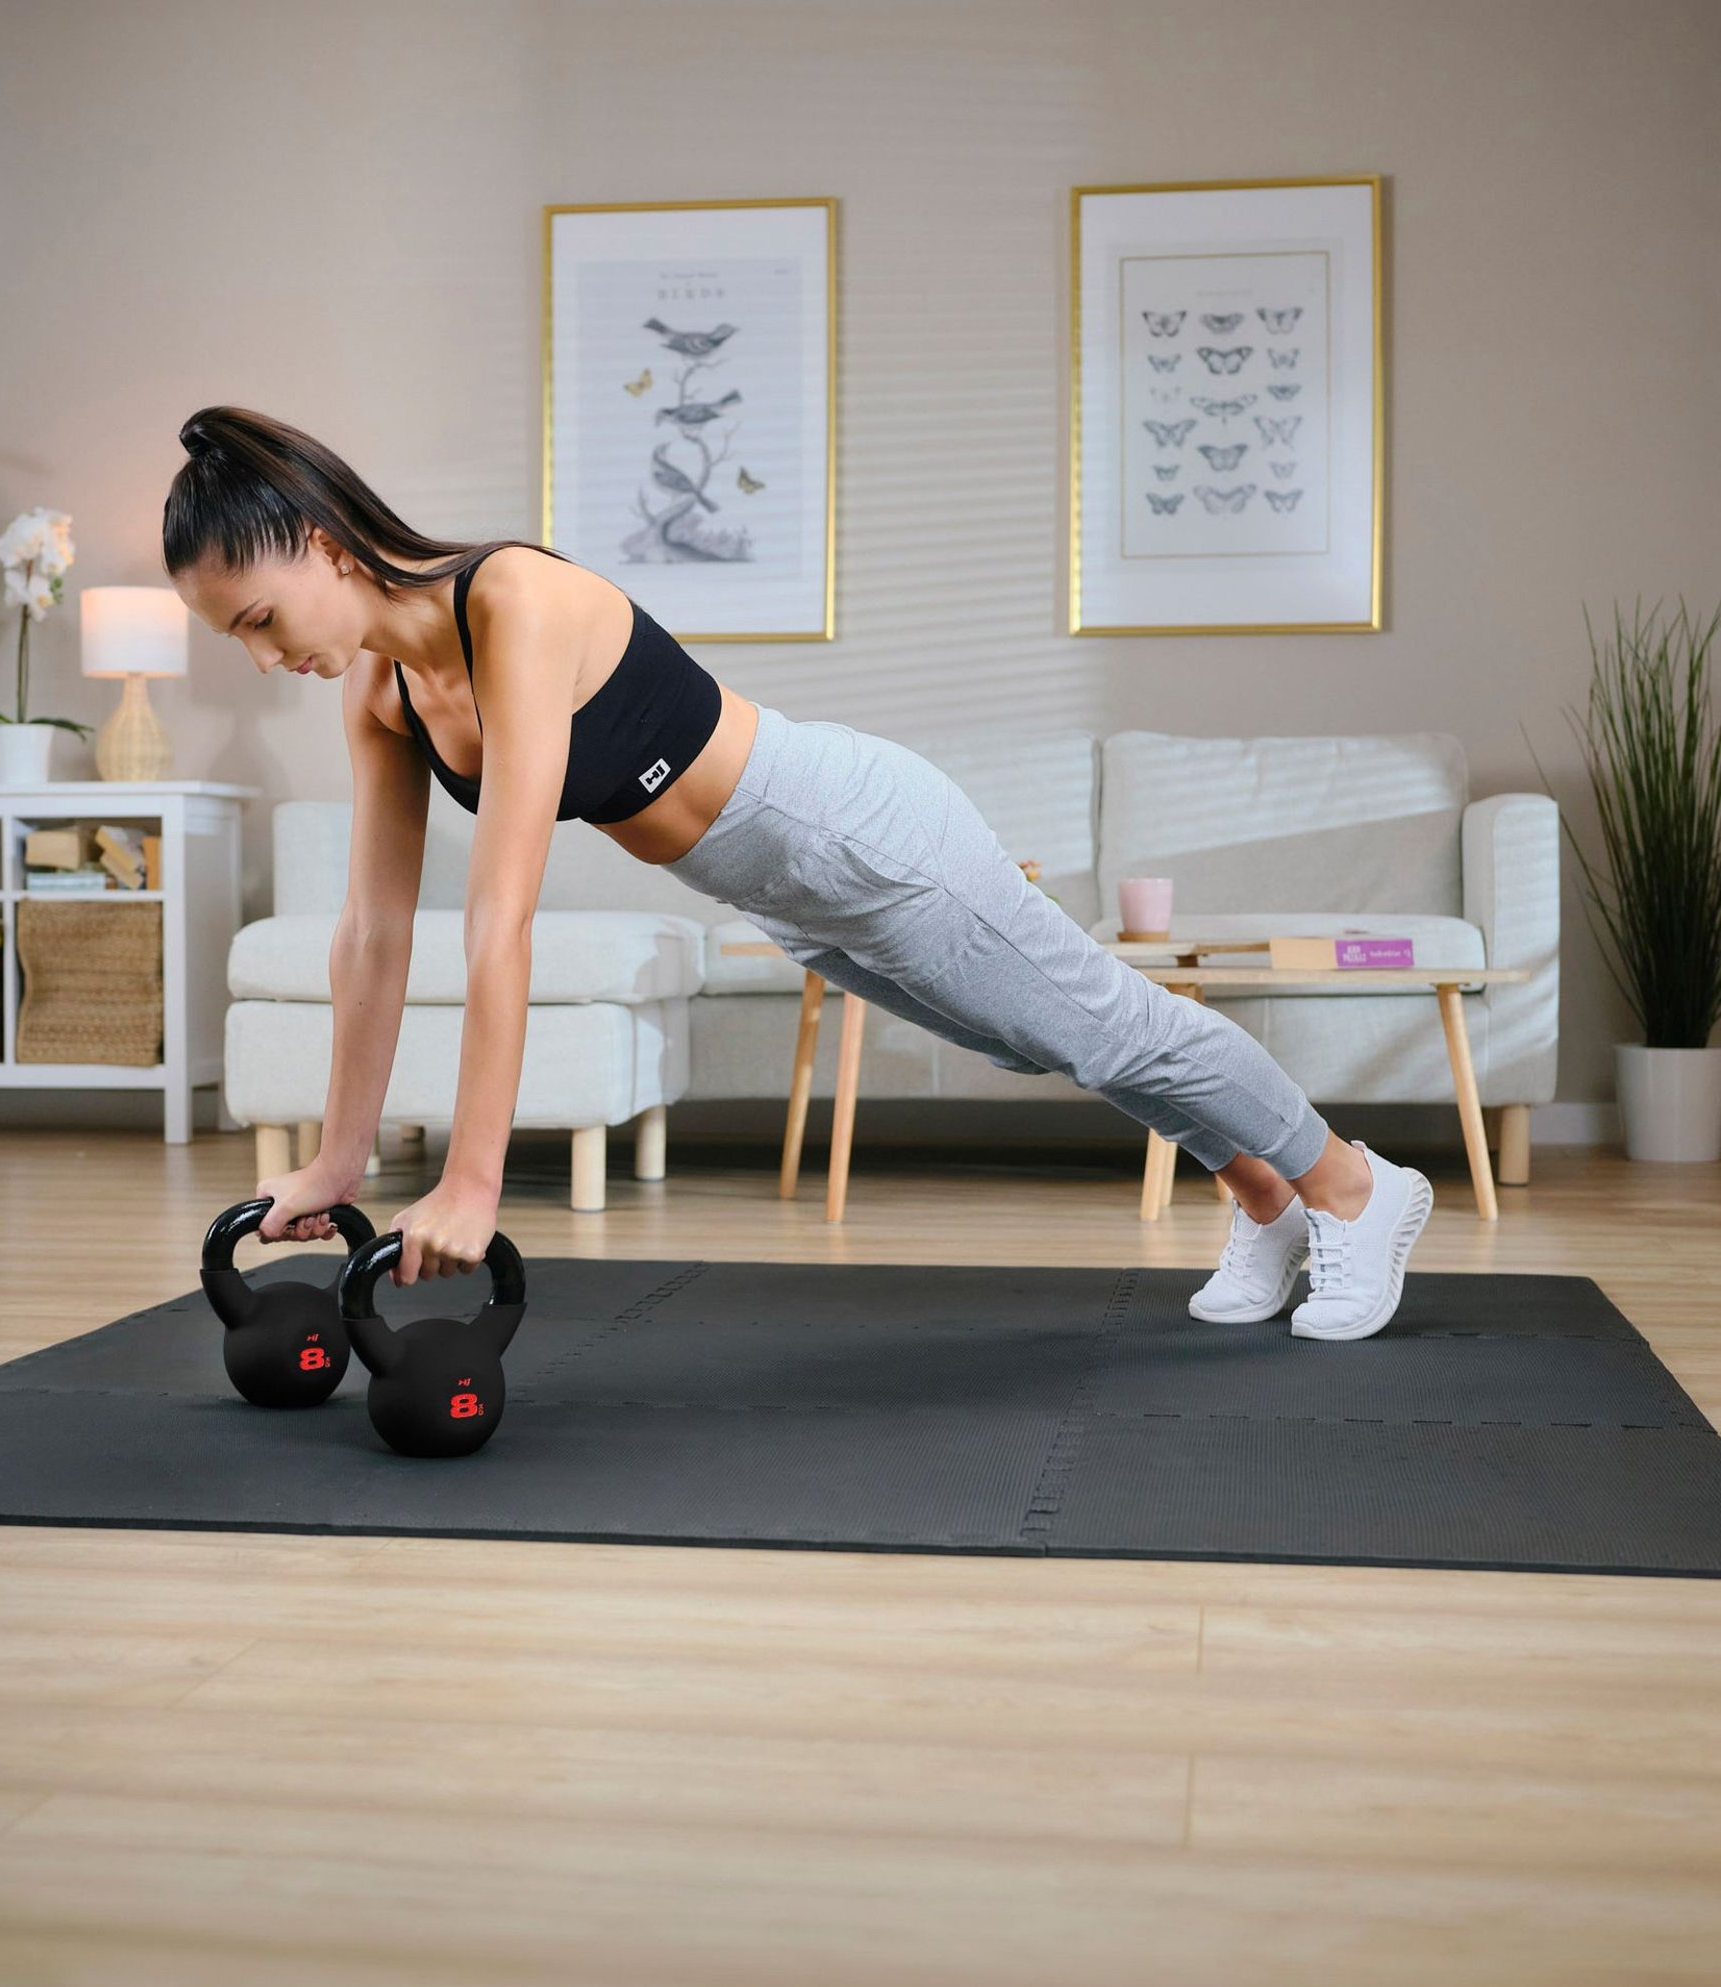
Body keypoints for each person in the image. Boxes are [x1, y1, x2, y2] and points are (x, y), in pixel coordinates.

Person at [163, 405, 1432, 1338]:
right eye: (239, 644)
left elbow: (500, 922)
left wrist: (473, 1181)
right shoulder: (381, 691)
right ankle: (1261, 1192)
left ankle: (1355, 1187)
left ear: (322, 543)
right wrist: (338, 1162)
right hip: (782, 888)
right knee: (1049, 1043)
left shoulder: (515, 605)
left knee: (1104, 1022)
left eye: (260, 620)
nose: (266, 658)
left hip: (854, 834)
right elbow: (373, 937)